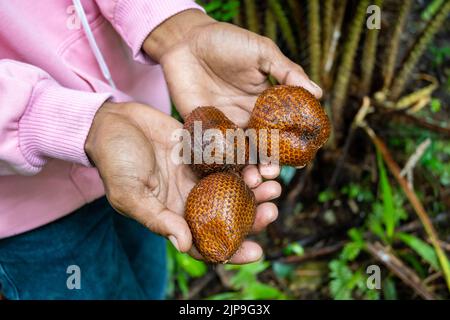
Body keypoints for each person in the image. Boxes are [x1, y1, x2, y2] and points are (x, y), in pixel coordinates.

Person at [0, 1, 322, 299]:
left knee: (149, 280)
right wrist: (61, 121)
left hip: (150, 159)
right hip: (28, 212)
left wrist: (177, 30)